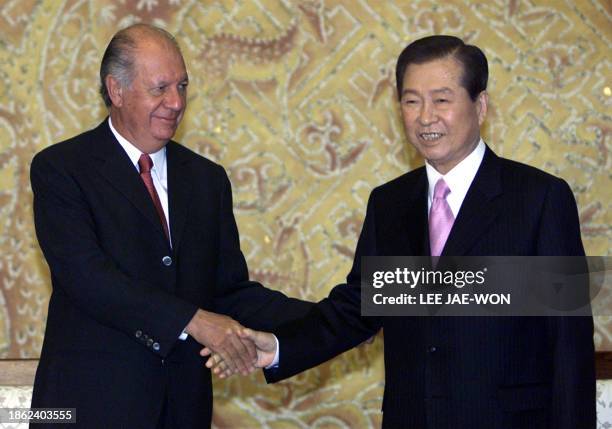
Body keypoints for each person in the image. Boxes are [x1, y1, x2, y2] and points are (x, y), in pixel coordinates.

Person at [209, 35, 596, 428]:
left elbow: (569, 344)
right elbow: (357, 308)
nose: (426, 116)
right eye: (412, 101)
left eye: (442, 100)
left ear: (480, 106)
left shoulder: (539, 198)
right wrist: (278, 347)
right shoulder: (390, 203)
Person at [29, 24, 311, 428]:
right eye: (160, 88)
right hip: (88, 409)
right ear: (116, 89)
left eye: (182, 86)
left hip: (181, 411)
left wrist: (330, 319)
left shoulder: (206, 179)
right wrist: (194, 321)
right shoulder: (62, 169)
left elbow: (229, 292)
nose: (176, 102)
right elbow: (88, 278)